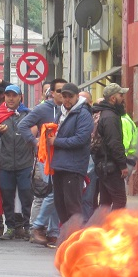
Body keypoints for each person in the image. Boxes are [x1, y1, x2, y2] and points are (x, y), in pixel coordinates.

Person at [18, 78, 65, 247]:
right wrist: (35, 142)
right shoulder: (43, 109)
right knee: (52, 192)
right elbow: (22, 125)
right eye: (59, 91)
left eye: (66, 91)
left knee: (57, 194)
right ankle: (38, 227)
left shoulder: (68, 110)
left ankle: (53, 233)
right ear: (52, 93)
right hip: (45, 158)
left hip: (62, 157)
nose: (63, 94)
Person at [46, 83, 93, 230]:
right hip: (59, 165)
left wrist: (56, 141)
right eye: (64, 96)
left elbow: (81, 139)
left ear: (77, 96)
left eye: (70, 96)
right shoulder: (62, 112)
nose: (66, 99)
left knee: (72, 206)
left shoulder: (83, 114)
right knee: (61, 206)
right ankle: (67, 236)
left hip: (73, 167)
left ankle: (76, 237)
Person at [0, 84, 32, 239]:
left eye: (14, 95)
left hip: (25, 163)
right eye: (8, 95)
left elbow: (35, 135)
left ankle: (27, 227)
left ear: (20, 97)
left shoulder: (28, 115)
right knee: (7, 197)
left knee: (26, 196)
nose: (11, 99)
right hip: (5, 163)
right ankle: (10, 227)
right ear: (4, 97)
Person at [90, 83, 130, 212]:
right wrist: (122, 165)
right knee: (120, 200)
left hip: (103, 164)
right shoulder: (110, 117)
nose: (123, 98)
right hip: (110, 166)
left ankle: (101, 223)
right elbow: (114, 143)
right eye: (121, 95)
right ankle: (111, 224)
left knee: (105, 202)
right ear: (113, 98)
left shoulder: (103, 113)